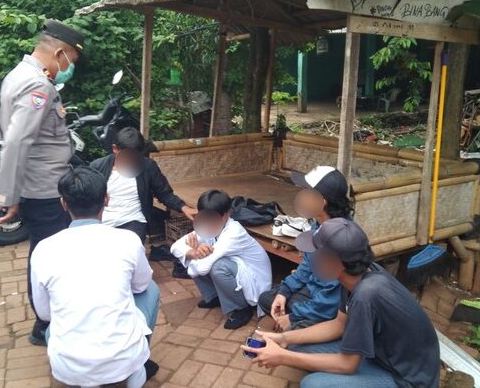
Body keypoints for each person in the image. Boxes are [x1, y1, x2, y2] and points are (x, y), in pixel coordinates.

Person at [243, 218, 440, 388]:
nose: (305, 258)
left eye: (314, 255)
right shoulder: (356, 275)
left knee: (313, 384)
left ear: (335, 262)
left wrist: (282, 357)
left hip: (406, 380)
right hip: (381, 356)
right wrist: (283, 340)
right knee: (295, 344)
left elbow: (348, 364)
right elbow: (338, 325)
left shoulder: (366, 295)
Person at [0, 19, 85, 346]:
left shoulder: (18, 75)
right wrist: (9, 194)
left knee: (42, 254)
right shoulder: (38, 86)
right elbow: (17, 142)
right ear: (59, 53)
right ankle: (46, 327)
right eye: (69, 62)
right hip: (45, 191)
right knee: (49, 260)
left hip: (38, 186)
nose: (68, 68)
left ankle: (44, 324)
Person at [30, 167, 161, 388]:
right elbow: (141, 285)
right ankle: (138, 364)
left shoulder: (43, 249)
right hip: (122, 362)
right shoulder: (127, 240)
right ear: (107, 200)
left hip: (68, 369)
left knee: (53, 327)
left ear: (64, 203)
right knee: (152, 289)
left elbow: (44, 313)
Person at [258, 166, 352, 331]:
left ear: (322, 202)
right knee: (269, 299)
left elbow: (332, 297)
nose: (301, 195)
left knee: (294, 315)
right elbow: (307, 265)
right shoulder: (317, 223)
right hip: (313, 289)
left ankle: (307, 329)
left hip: (330, 303)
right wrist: (284, 292)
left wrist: (294, 316)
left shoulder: (341, 238)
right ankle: (301, 325)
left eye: (307, 191)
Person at [171, 190, 272, 329]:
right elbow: (175, 247)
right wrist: (192, 252)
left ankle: (241, 308)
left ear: (227, 214)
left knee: (217, 267)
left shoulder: (234, 232)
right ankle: (214, 297)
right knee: (200, 255)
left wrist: (194, 255)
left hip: (254, 277)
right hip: (235, 267)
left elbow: (201, 268)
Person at [90, 127, 197, 243]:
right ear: (115, 149)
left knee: (130, 248)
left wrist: (184, 208)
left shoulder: (148, 167)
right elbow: (86, 195)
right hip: (102, 220)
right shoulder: (98, 167)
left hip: (133, 220)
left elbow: (164, 193)